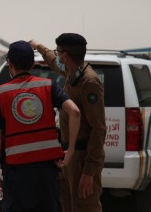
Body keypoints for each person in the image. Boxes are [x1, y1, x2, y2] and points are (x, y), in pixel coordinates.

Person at [0, 40, 81, 212]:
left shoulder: (0, 93)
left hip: (16, 174)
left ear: (10, 63)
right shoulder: (48, 86)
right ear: (32, 64)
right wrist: (71, 150)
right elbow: (75, 112)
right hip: (47, 172)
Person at [29, 33, 106, 212]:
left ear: (66, 56)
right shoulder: (72, 72)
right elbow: (52, 60)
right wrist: (38, 45)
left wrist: (89, 171)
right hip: (69, 156)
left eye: (59, 52)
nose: (57, 55)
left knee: (85, 207)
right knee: (68, 206)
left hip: (82, 159)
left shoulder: (89, 81)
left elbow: (99, 129)